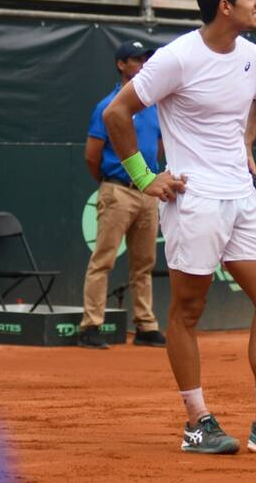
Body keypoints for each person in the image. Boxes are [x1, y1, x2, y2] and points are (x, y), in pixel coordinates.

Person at [102, 0, 256, 454]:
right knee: (189, 310)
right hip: (196, 199)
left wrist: (245, 143)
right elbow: (116, 114)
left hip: (243, 195)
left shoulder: (253, 56)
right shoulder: (176, 59)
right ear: (225, 7)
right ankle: (196, 421)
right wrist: (146, 177)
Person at [80, 41, 166, 350]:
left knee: (144, 264)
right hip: (117, 191)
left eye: (145, 59)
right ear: (121, 65)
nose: (143, 64)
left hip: (148, 194)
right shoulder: (107, 106)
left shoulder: (154, 107)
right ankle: (91, 325)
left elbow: (157, 148)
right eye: (136, 59)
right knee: (103, 260)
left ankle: (145, 326)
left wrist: (150, 180)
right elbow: (92, 155)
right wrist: (111, 183)